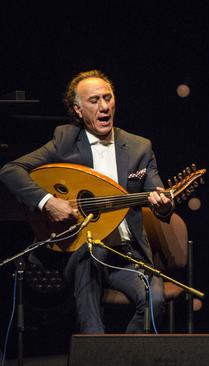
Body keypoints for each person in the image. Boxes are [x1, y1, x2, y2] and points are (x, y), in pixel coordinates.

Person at [0, 70, 173, 333]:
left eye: (108, 98)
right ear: (77, 110)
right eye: (94, 100)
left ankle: (125, 357)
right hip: (83, 251)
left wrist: (163, 204)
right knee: (87, 260)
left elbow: (158, 194)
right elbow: (10, 170)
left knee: (154, 300)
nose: (104, 106)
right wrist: (47, 202)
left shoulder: (139, 147)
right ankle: (95, 352)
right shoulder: (66, 140)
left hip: (127, 254)